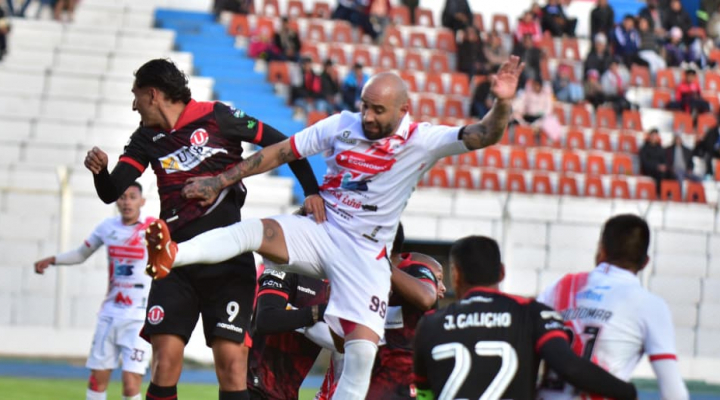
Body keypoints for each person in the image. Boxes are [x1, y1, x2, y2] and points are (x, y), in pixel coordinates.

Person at [143, 56, 528, 400]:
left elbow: (483, 134)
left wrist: (502, 103)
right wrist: (220, 180)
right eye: (364, 106)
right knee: (254, 232)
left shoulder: (422, 140)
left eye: (378, 110)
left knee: (359, 360)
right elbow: (281, 151)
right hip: (323, 229)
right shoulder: (342, 125)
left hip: (366, 255)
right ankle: (174, 254)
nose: (368, 117)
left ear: (403, 110)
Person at [83, 59, 322, 400]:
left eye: (136, 96)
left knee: (232, 367)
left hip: (228, 263)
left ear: (153, 94)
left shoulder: (217, 116)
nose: (134, 105)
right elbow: (111, 191)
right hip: (174, 263)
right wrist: (100, 171)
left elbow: (284, 144)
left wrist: (311, 191)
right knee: (164, 364)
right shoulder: (145, 138)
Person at [412, 236, 638, 400]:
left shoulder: (430, 324)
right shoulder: (533, 313)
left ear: (456, 275)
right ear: (501, 272)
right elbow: (569, 367)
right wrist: (627, 391)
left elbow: (424, 394)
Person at [536, 214, 690, 400]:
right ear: (645, 262)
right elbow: (674, 392)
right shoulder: (650, 305)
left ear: (602, 249)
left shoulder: (559, 288)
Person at [33, 183, 153, 400]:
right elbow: (81, 254)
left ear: (142, 201)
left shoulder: (153, 227)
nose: (127, 202)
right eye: (122, 197)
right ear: (116, 201)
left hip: (139, 319)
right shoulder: (107, 227)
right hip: (110, 314)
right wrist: (53, 259)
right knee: (96, 380)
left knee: (130, 384)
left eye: (132, 197)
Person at [316, 223, 447, 399]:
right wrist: (334, 304)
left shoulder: (414, 269)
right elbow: (343, 346)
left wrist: (383, 265)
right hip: (374, 381)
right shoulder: (361, 281)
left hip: (410, 383)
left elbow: (426, 298)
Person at [247, 266, 332, 400]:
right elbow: (266, 319)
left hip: (287, 393)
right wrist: (317, 312)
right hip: (254, 386)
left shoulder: (337, 283)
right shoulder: (283, 266)